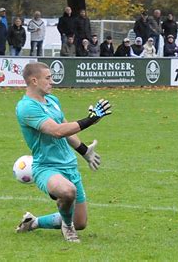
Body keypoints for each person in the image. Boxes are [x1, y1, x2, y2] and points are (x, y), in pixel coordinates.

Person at [15, 62, 112, 242]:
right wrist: (89, 120)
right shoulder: (26, 107)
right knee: (67, 192)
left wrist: (85, 151)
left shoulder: (52, 100)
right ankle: (67, 228)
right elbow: (58, 131)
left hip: (70, 166)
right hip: (46, 167)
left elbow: (67, 129)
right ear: (34, 81)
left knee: (80, 221)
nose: (52, 82)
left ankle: (33, 222)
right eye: (48, 78)